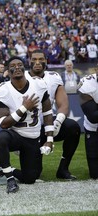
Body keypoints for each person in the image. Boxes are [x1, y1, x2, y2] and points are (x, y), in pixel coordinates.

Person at [0, 56, 54, 193]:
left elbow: (47, 112)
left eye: (19, 64)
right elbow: (3, 123)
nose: (17, 67)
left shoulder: (38, 84)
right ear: (8, 72)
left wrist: (49, 140)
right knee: (2, 137)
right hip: (15, 135)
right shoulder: (4, 89)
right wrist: (23, 108)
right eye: (12, 66)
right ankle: (10, 179)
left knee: (30, 178)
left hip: (33, 138)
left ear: (24, 67)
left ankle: (7, 169)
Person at [27, 50, 81, 180]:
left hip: (48, 122)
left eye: (41, 59)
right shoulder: (22, 77)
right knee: (33, 174)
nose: (37, 62)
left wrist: (57, 123)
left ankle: (63, 169)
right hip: (29, 126)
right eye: (34, 59)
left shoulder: (54, 77)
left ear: (46, 61)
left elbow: (63, 104)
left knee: (73, 127)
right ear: (29, 61)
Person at [78, 64, 98, 179]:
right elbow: (93, 116)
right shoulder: (87, 83)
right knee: (95, 174)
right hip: (94, 128)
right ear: (96, 70)